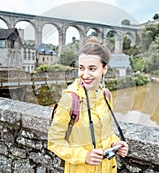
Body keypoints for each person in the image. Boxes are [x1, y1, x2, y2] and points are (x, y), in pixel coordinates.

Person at [48, 36, 129, 172]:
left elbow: (106, 133)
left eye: (92, 69)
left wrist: (116, 143)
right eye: (81, 68)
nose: (85, 75)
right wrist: (84, 156)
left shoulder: (106, 95)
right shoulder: (70, 99)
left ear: (104, 69)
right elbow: (54, 141)